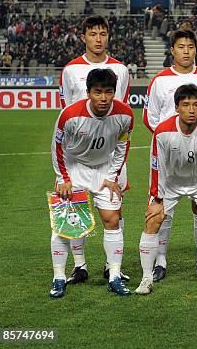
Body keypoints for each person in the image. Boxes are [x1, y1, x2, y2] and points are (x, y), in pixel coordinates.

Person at [136, 84, 197, 295]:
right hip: (170, 183)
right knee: (154, 219)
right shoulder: (162, 132)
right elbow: (157, 166)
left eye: (196, 105)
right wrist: (157, 197)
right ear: (177, 108)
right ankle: (147, 278)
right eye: (186, 105)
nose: (191, 110)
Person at [143, 27, 197, 282]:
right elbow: (149, 117)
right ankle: (160, 261)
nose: (186, 52)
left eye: (190, 47)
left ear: (195, 50)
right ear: (172, 50)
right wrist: (172, 139)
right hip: (168, 155)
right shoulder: (160, 81)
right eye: (181, 47)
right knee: (164, 208)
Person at [58, 15, 131, 285]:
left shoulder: (120, 70)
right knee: (76, 210)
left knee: (114, 210)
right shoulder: (70, 70)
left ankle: (113, 267)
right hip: (78, 152)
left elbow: (121, 112)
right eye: (93, 34)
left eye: (103, 33)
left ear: (108, 36)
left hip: (110, 153)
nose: (98, 39)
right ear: (84, 37)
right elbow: (66, 112)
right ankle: (79, 265)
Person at [49, 69, 133, 298]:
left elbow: (122, 147)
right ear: (88, 93)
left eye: (108, 92)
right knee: (65, 225)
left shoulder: (125, 115)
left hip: (104, 170)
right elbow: (57, 148)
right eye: (98, 92)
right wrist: (63, 178)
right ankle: (58, 277)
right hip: (75, 168)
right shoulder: (70, 115)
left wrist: (113, 175)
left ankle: (114, 275)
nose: (104, 98)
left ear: (115, 92)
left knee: (111, 219)